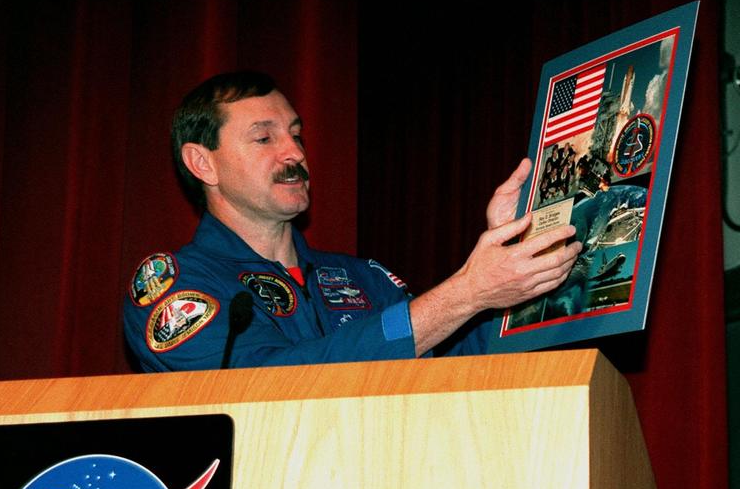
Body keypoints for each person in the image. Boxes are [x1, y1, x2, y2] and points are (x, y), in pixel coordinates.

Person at [123, 71, 580, 371]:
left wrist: (524, 255)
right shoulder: (179, 287)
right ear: (203, 163)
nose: (295, 153)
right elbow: (270, 381)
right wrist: (467, 291)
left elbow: (463, 358)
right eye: (264, 137)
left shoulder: (360, 276)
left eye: (296, 135)